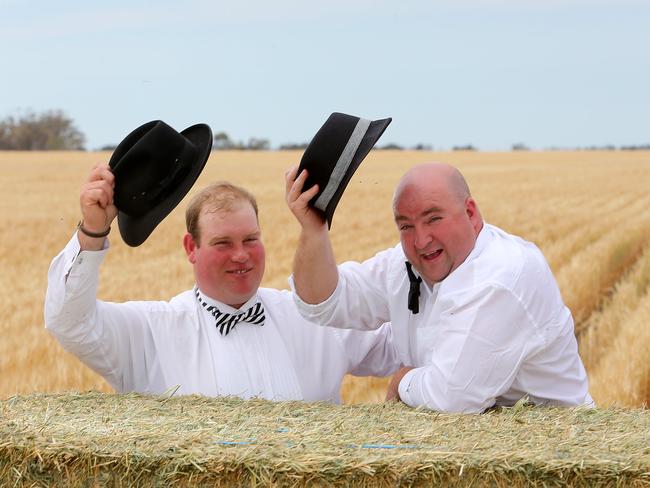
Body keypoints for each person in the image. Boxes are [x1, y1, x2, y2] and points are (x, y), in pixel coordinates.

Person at [44, 163, 400, 402]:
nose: (241, 255)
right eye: (222, 243)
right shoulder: (152, 330)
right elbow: (69, 323)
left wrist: (412, 383)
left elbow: (402, 344)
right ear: (191, 248)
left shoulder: (314, 315)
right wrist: (92, 231)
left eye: (250, 240)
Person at [285, 162, 594, 413]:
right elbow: (324, 303)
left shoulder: (500, 276)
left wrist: (403, 381)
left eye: (433, 219)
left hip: (552, 445)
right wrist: (314, 230)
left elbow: (452, 397)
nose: (421, 240)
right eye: (406, 226)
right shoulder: (404, 264)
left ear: (471, 214)